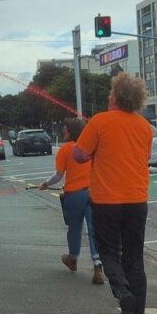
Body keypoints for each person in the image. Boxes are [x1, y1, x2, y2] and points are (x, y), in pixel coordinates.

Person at [72, 73, 153, 314]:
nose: (108, 96)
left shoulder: (99, 122)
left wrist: (92, 150)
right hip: (137, 200)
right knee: (135, 258)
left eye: (110, 92)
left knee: (108, 251)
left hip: (107, 200)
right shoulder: (144, 126)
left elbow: (80, 154)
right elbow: (145, 156)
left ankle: (121, 290)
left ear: (117, 96)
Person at [40, 117, 104, 284]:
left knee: (74, 228)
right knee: (94, 229)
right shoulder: (91, 148)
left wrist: (46, 184)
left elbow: (59, 175)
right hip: (93, 192)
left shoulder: (66, 150)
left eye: (65, 129)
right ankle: (98, 265)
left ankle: (73, 258)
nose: (63, 131)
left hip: (74, 195)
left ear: (70, 131)